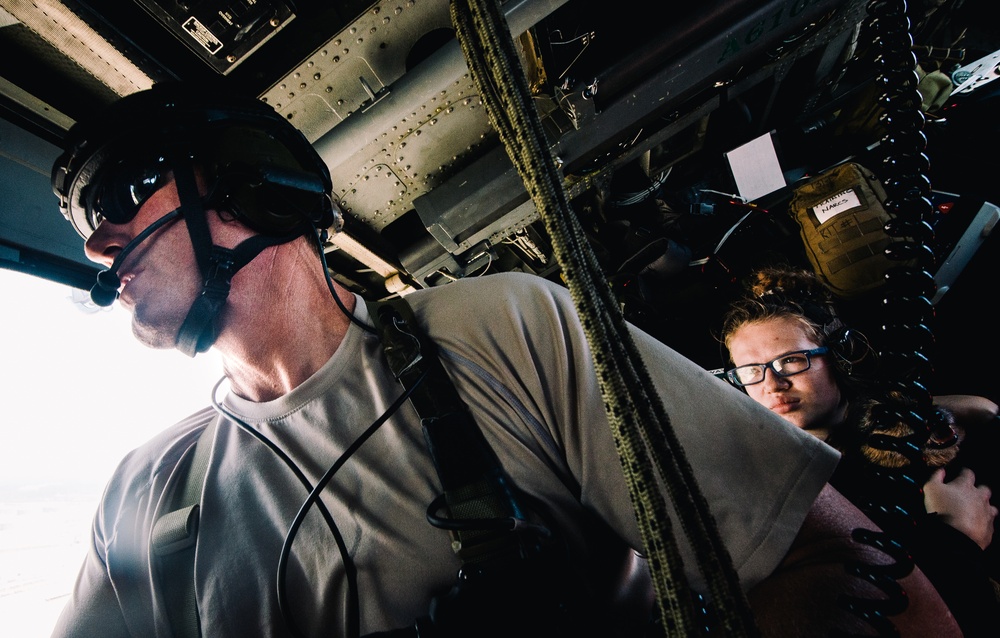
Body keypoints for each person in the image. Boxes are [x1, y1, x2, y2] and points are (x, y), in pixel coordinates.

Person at [48, 81, 962, 638]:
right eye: (83, 224)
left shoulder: (497, 329)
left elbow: (829, 564)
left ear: (256, 180)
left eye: (122, 193)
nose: (96, 245)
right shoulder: (142, 496)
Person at [719, 263, 1000, 637]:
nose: (772, 384)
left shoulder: (917, 435)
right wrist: (958, 537)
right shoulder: (778, 494)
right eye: (751, 371)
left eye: (790, 360)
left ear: (839, 357)